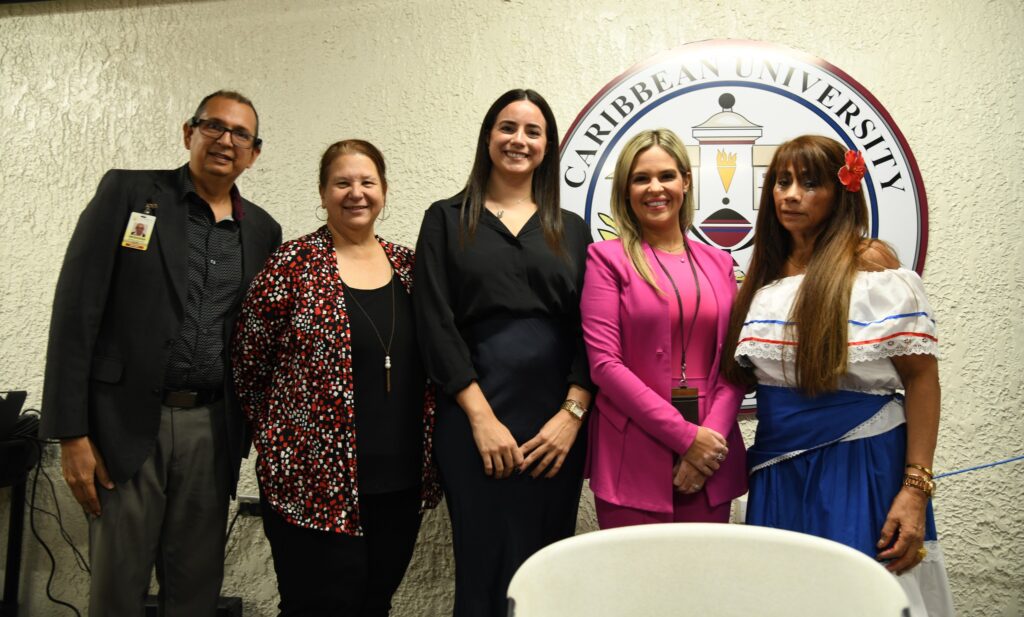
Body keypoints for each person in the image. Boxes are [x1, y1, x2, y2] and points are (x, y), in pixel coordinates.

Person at [40, 90, 281, 616]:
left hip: (213, 427)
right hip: (124, 424)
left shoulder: (262, 231)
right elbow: (76, 312)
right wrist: (71, 433)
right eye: (213, 126)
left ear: (255, 153)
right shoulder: (128, 193)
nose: (226, 140)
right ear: (188, 132)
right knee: (117, 587)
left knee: (195, 587)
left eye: (241, 134)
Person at [723, 135, 954, 616]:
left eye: (810, 184)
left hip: (862, 463)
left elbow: (921, 381)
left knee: (861, 597)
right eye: (782, 182)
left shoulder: (871, 266)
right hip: (777, 470)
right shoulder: (763, 274)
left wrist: (915, 489)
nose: (791, 195)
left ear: (841, 192)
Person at [232, 139, 440, 617]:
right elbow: (249, 365)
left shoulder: (411, 268)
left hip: (399, 483)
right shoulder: (291, 266)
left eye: (367, 182)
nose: (356, 193)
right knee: (316, 607)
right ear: (323, 193)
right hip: (311, 483)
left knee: (374, 604)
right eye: (342, 182)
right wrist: (279, 438)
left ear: (384, 191)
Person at [413, 88, 594, 617]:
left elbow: (593, 329)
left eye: (533, 131)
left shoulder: (572, 229)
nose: (519, 140)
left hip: (556, 425)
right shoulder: (445, 220)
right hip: (472, 417)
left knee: (545, 566)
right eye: (507, 128)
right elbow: (433, 322)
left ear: (548, 146)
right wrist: (480, 417)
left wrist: (572, 414)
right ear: (488, 137)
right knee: (483, 558)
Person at [580, 129, 746, 528]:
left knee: (705, 584)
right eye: (641, 178)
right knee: (634, 586)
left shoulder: (719, 263)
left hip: (711, 452)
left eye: (666, 176)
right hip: (633, 450)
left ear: (685, 181)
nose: (655, 188)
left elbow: (734, 362)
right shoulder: (606, 259)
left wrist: (708, 444)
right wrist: (686, 439)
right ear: (625, 189)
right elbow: (605, 366)